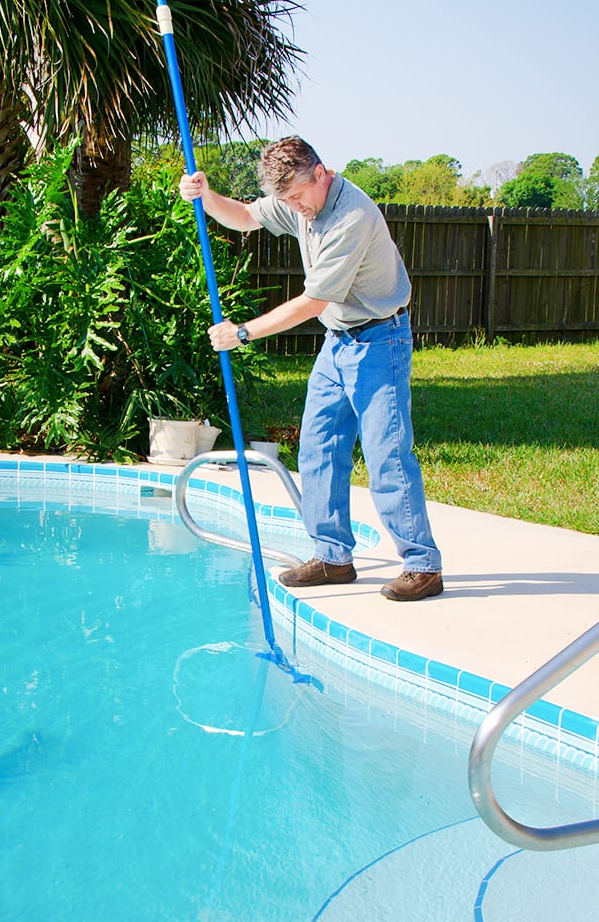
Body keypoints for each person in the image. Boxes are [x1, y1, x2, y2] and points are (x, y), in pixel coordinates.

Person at [178, 136, 443, 602]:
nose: (295, 207)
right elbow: (244, 217)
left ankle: (422, 564)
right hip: (337, 341)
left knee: (387, 455)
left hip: (380, 339)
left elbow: (313, 301)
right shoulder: (302, 203)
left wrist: (242, 333)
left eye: (299, 195)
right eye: (287, 200)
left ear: (322, 173)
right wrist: (206, 195)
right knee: (318, 448)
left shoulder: (351, 217)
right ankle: (333, 557)